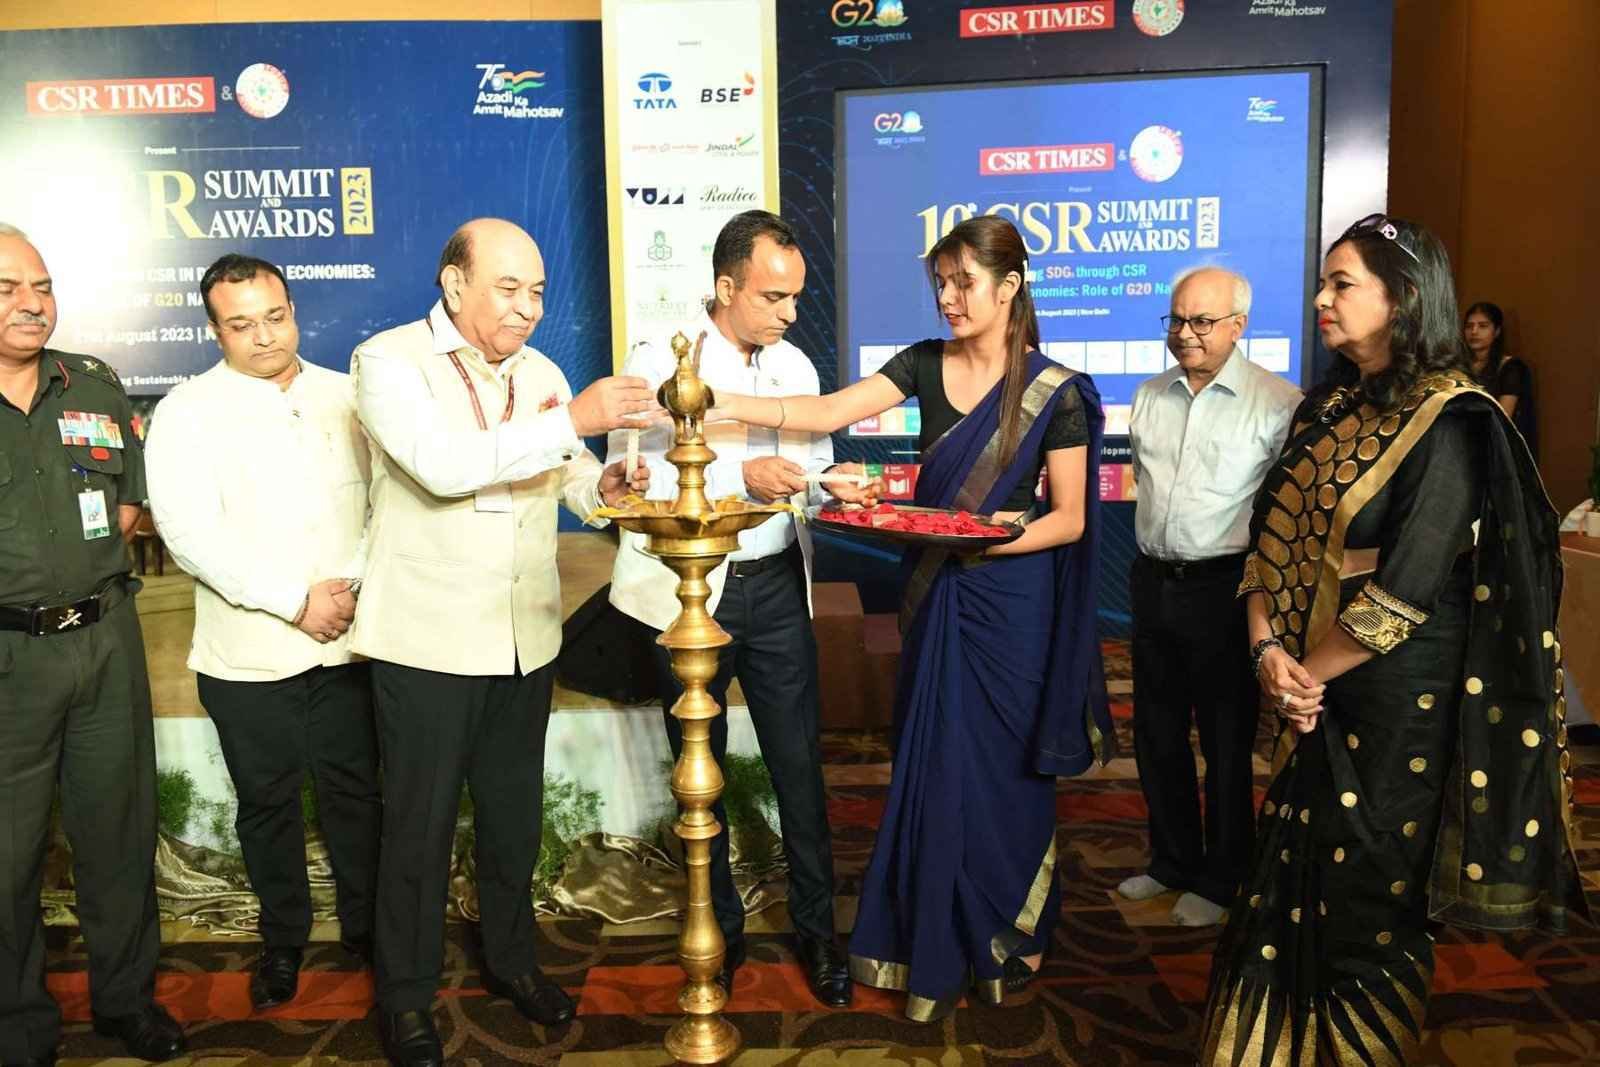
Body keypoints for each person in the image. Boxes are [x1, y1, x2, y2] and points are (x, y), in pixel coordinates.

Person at [1200, 215, 1586, 1064]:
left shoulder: (1452, 420)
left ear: (1404, 299)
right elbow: (1267, 539)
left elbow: (1404, 591)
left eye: (1341, 283)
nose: (1321, 298)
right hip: (1307, 683)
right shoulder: (1329, 405)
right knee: (1287, 878)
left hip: (1395, 702)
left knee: (1364, 897)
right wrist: (1267, 651)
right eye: (1324, 281)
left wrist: (1300, 675)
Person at [708, 214, 1112, 1020]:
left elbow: (1068, 519)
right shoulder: (923, 362)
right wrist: (711, 399)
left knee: (1005, 766)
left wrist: (980, 538)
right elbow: (826, 412)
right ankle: (931, 925)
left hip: (1012, 603)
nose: (949, 298)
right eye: (941, 283)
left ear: (1010, 286)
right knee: (935, 759)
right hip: (938, 593)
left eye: (965, 283)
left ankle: (1011, 925)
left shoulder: (1057, 390)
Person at [350, 218, 653, 1067]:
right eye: (509, 288)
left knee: (513, 818)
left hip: (525, 636)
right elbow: (442, 465)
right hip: (430, 641)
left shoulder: (542, 372)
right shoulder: (389, 361)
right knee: (419, 828)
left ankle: (513, 961)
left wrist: (606, 483)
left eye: (538, 293)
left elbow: (569, 474)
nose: (528, 308)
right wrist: (575, 419)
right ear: (455, 285)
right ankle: (406, 997)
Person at [607, 210, 876, 1007]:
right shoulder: (660, 359)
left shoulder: (795, 365)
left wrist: (830, 486)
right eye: (772, 296)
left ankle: (818, 931)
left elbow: (807, 474)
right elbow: (636, 478)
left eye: (795, 296)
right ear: (725, 286)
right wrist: (739, 480)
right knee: (701, 773)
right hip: (691, 587)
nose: (789, 313)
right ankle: (717, 928)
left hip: (776, 584)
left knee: (800, 764)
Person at [144, 253, 382, 1012]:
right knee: (267, 801)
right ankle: (283, 939)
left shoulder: (349, 395)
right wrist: (293, 602)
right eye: (242, 324)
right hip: (246, 653)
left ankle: (371, 930)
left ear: (293, 310)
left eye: (275, 316)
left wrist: (346, 587)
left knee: (357, 793)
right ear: (215, 330)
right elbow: (189, 534)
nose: (265, 335)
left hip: (350, 638)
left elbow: (383, 504)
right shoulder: (186, 411)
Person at [0, 223, 186, 1063]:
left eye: (41, 286)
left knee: (117, 833)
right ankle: (18, 1024)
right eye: (7, 288)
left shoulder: (96, 386)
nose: (31, 303)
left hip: (105, 642)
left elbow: (125, 509)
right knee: (7, 855)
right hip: (9, 659)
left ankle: (126, 1000)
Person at [1120, 268, 1301, 926]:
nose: (1184, 333)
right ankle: (1171, 860)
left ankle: (1224, 878)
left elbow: (1283, 516)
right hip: (1152, 581)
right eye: (1175, 320)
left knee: (1225, 742)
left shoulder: (1278, 402)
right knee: (1157, 732)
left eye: (1201, 321)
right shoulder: (1148, 395)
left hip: (1227, 589)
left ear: (1238, 325)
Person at [1463, 300, 1537, 459]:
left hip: (1493, 449)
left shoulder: (1510, 368)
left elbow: (1502, 420)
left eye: (1483, 326)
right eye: (1469, 326)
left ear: (1496, 331)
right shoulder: (1458, 367)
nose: (1474, 331)